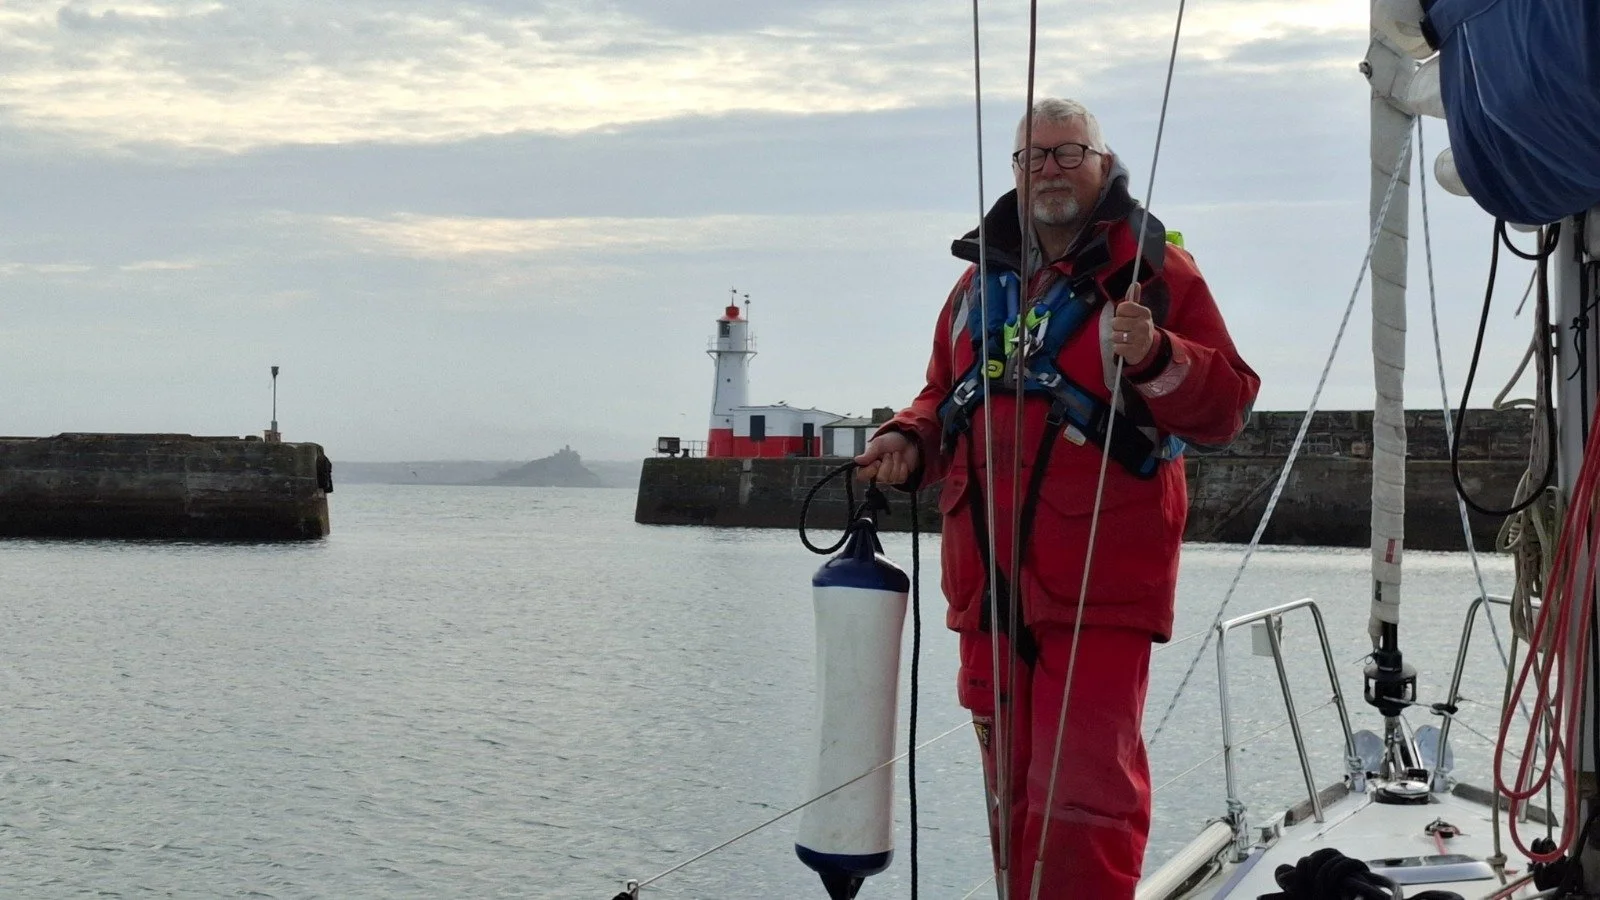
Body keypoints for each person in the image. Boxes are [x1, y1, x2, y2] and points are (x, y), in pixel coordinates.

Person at [855, 98, 1259, 899]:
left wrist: (1155, 354)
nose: (1049, 169)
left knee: (1086, 803)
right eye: (1033, 156)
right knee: (1010, 798)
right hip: (990, 594)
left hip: (1100, 588)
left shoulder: (1157, 274)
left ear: (1104, 164)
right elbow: (947, 392)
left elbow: (1226, 409)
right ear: (1013, 172)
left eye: (1070, 153)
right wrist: (910, 437)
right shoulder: (976, 287)